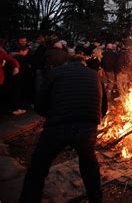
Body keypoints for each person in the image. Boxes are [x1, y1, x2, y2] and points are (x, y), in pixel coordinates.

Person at [20, 55, 108, 202]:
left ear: (67, 63)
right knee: (89, 164)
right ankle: (96, 199)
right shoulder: (95, 75)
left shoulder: (55, 72)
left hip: (57, 127)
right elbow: (103, 107)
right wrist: (92, 122)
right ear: (83, 64)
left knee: (38, 168)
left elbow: (39, 104)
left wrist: (52, 115)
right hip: (86, 129)